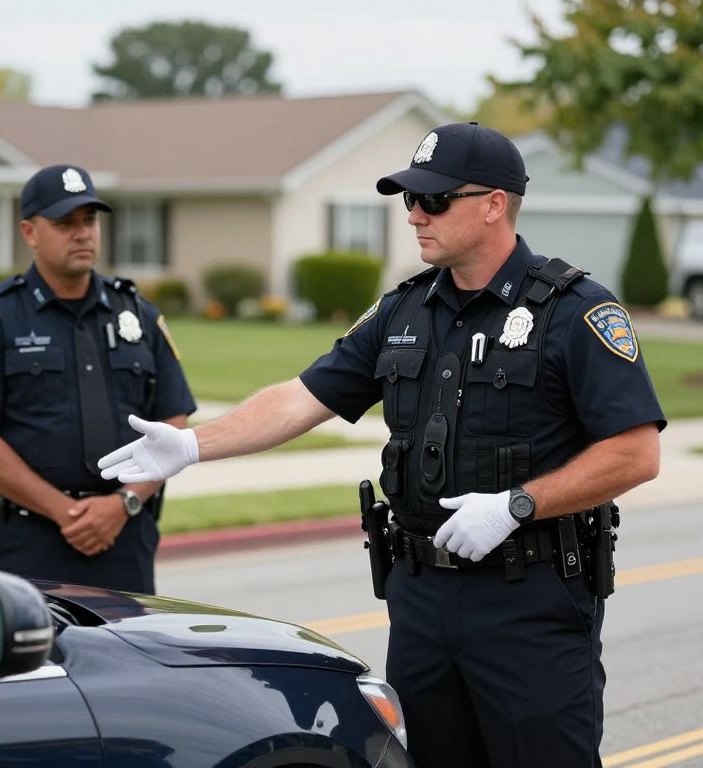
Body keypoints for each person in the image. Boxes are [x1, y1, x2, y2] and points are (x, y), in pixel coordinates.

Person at [98, 123, 665, 766]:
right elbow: (299, 398)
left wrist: (517, 505)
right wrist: (192, 445)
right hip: (422, 600)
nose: (416, 216)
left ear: (494, 204)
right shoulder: (403, 311)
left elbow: (635, 451)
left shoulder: (573, 311)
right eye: (409, 201)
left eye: (434, 201)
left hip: (529, 603)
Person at [0, 164, 195, 594]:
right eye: (64, 223)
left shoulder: (138, 315)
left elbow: (174, 422)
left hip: (123, 538)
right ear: (29, 232)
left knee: (130, 660)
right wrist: (65, 513)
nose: (82, 233)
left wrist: (123, 503)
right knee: (37, 661)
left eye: (89, 220)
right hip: (26, 542)